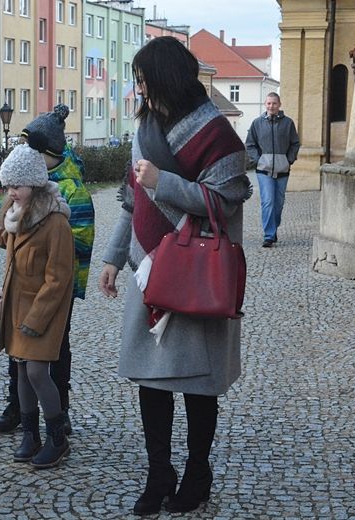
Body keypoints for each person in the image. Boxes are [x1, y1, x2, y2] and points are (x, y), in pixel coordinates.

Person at [98, 37, 251, 516]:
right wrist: (112, 256)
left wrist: (161, 182)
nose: (138, 88)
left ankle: (198, 471)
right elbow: (131, 201)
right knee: (152, 378)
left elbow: (222, 202)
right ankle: (158, 472)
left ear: (165, 78)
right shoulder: (144, 128)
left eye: (143, 78)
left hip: (199, 270)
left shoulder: (218, 136)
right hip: (149, 270)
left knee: (197, 383)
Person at [0, 104, 95, 436]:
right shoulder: (27, 184)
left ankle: (58, 410)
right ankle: (18, 406)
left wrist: (45, 238)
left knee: (54, 351)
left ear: (49, 154)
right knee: (18, 352)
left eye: (33, 150)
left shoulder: (70, 191)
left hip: (56, 288)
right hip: (24, 286)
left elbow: (79, 243)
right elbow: (11, 232)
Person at [0, 144, 74, 469]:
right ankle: (30, 434)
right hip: (16, 307)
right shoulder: (18, 215)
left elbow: (59, 278)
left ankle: (57, 437)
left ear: (34, 183)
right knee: (21, 370)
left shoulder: (55, 222)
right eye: (8, 185)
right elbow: (7, 238)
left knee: (36, 371)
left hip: (42, 311)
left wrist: (37, 318)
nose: (10, 192)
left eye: (16, 185)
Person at [245, 92, 300, 247]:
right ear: (265, 104)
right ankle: (269, 235)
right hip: (264, 171)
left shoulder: (288, 123)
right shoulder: (257, 123)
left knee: (279, 203)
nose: (271, 106)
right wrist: (259, 160)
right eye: (269, 103)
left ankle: (273, 228)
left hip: (283, 170)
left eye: (274, 103)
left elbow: (295, 143)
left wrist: (289, 160)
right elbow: (249, 144)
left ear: (279, 104)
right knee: (268, 201)